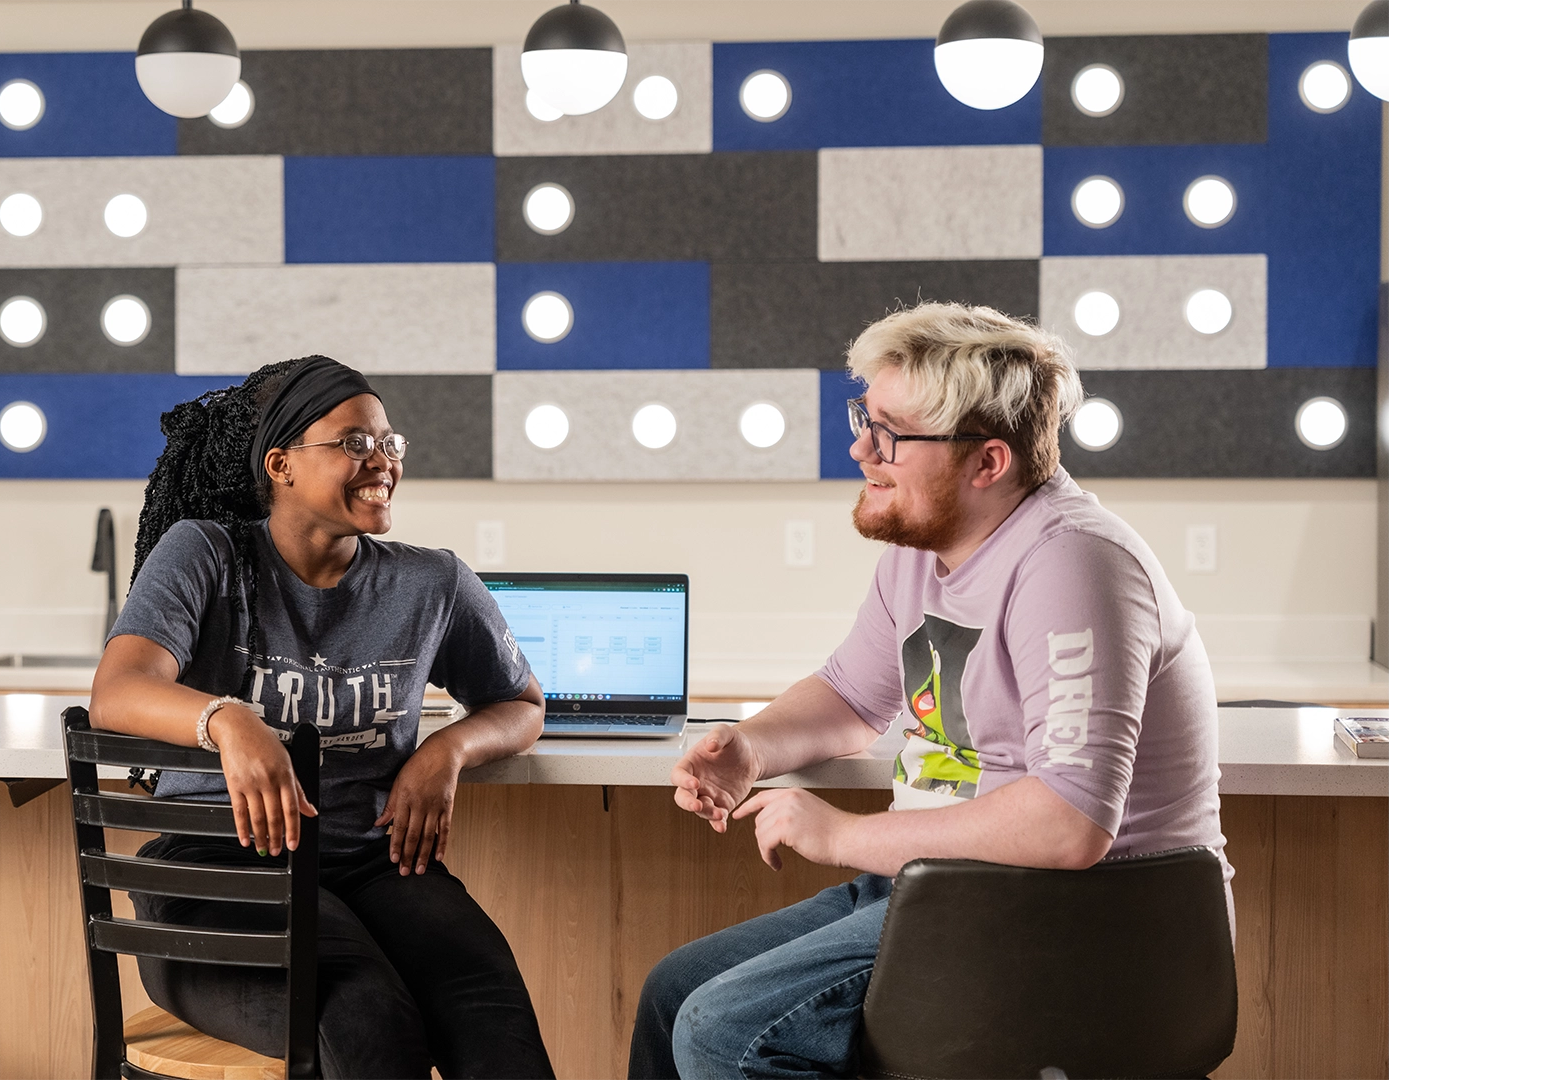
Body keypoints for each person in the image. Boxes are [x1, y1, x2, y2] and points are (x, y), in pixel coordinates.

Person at [629, 303, 1227, 1080]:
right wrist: (751, 747)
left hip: (1077, 920)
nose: (859, 448)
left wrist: (841, 835)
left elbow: (1069, 823)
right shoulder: (925, 548)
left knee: (722, 1031)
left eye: (890, 434)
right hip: (938, 889)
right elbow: (850, 694)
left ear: (988, 463)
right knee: (675, 993)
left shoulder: (1074, 563)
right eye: (864, 418)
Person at [89, 355, 556, 1080]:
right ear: (281, 465)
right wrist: (229, 718)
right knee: (369, 1020)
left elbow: (522, 706)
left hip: (377, 866)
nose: (382, 462)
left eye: (389, 443)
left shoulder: (431, 582)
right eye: (354, 443)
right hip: (219, 875)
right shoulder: (206, 555)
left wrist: (448, 751)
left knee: (491, 1015)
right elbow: (117, 691)